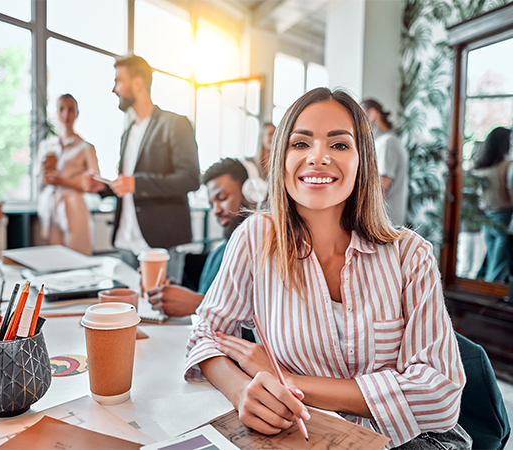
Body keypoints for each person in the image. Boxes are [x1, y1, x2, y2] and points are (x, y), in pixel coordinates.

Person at [185, 88, 469, 449]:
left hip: (411, 441)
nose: (317, 157)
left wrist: (283, 379)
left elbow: (439, 394)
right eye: (301, 144)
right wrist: (241, 390)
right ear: (281, 160)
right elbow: (206, 335)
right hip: (306, 435)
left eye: (338, 145)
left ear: (362, 161)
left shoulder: (409, 255)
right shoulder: (257, 238)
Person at [84, 55, 200, 266]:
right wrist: (104, 187)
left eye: (119, 81)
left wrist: (136, 183)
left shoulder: (175, 124)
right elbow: (127, 185)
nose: (114, 89)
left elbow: (190, 178)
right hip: (126, 242)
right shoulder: (128, 133)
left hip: (161, 243)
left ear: (138, 83)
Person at [148, 158, 254, 317]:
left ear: (249, 193)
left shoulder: (262, 254)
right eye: (211, 204)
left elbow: (261, 324)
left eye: (223, 198)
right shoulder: (217, 254)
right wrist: (174, 294)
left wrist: (198, 303)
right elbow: (203, 298)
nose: (216, 211)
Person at [35, 94, 99, 256]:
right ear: (56, 112)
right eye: (62, 109)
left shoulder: (86, 147)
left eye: (71, 110)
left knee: (77, 256)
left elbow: (95, 185)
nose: (66, 114)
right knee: (52, 259)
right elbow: (38, 182)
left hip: (74, 206)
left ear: (77, 113)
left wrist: (62, 181)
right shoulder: (46, 146)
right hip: (50, 206)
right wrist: (45, 177)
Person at [472, 127, 513, 282]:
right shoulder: (506, 166)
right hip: (503, 216)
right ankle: (491, 291)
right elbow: (511, 192)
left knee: (492, 258)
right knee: (498, 262)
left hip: (487, 216)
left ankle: (488, 288)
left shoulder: (482, 166)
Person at [362, 99, 408, 226]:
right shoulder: (384, 141)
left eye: (361, 116)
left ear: (371, 114)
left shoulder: (387, 142)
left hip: (385, 220)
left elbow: (380, 186)